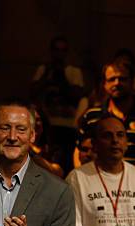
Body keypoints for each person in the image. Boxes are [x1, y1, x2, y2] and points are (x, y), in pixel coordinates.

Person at [31, 36, 85, 172]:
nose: (59, 54)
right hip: (47, 124)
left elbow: (77, 96)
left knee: (65, 164)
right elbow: (32, 93)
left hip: (68, 126)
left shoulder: (74, 72)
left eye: (63, 50)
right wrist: (47, 75)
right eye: (56, 50)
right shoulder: (44, 70)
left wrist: (61, 76)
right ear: (51, 51)